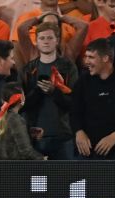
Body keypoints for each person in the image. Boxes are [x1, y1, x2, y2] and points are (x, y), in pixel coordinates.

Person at [72, 38, 115, 159]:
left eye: (91, 57)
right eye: (86, 57)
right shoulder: (83, 81)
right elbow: (74, 111)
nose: (86, 61)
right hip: (88, 151)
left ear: (105, 58)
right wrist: (78, 132)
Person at [20, 22, 78, 160]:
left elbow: (75, 102)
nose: (46, 42)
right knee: (38, 180)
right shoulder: (28, 70)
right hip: (35, 136)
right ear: (36, 42)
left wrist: (55, 92)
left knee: (63, 180)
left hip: (63, 136)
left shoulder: (68, 68)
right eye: (42, 38)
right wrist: (39, 91)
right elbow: (21, 104)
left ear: (57, 41)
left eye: (50, 38)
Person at [0, 82, 46, 160]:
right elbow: (26, 151)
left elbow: (8, 137)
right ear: (22, 99)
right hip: (16, 169)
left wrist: (28, 131)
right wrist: (43, 159)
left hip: (0, 169)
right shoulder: (16, 119)